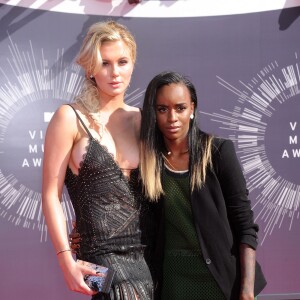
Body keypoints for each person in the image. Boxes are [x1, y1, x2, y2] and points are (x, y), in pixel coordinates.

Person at [42, 20, 156, 300]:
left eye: (122, 61)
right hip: (99, 259)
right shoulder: (69, 117)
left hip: (149, 256)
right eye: (104, 63)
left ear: (132, 64)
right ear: (90, 67)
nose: (114, 72)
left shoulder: (145, 121)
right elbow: (50, 195)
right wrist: (65, 261)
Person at [138, 71, 267, 300]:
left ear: (192, 109)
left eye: (180, 108)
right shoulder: (148, 162)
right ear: (153, 113)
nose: (172, 118)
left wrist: (246, 290)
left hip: (218, 281)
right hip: (172, 281)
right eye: (162, 109)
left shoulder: (217, 152)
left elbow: (245, 225)